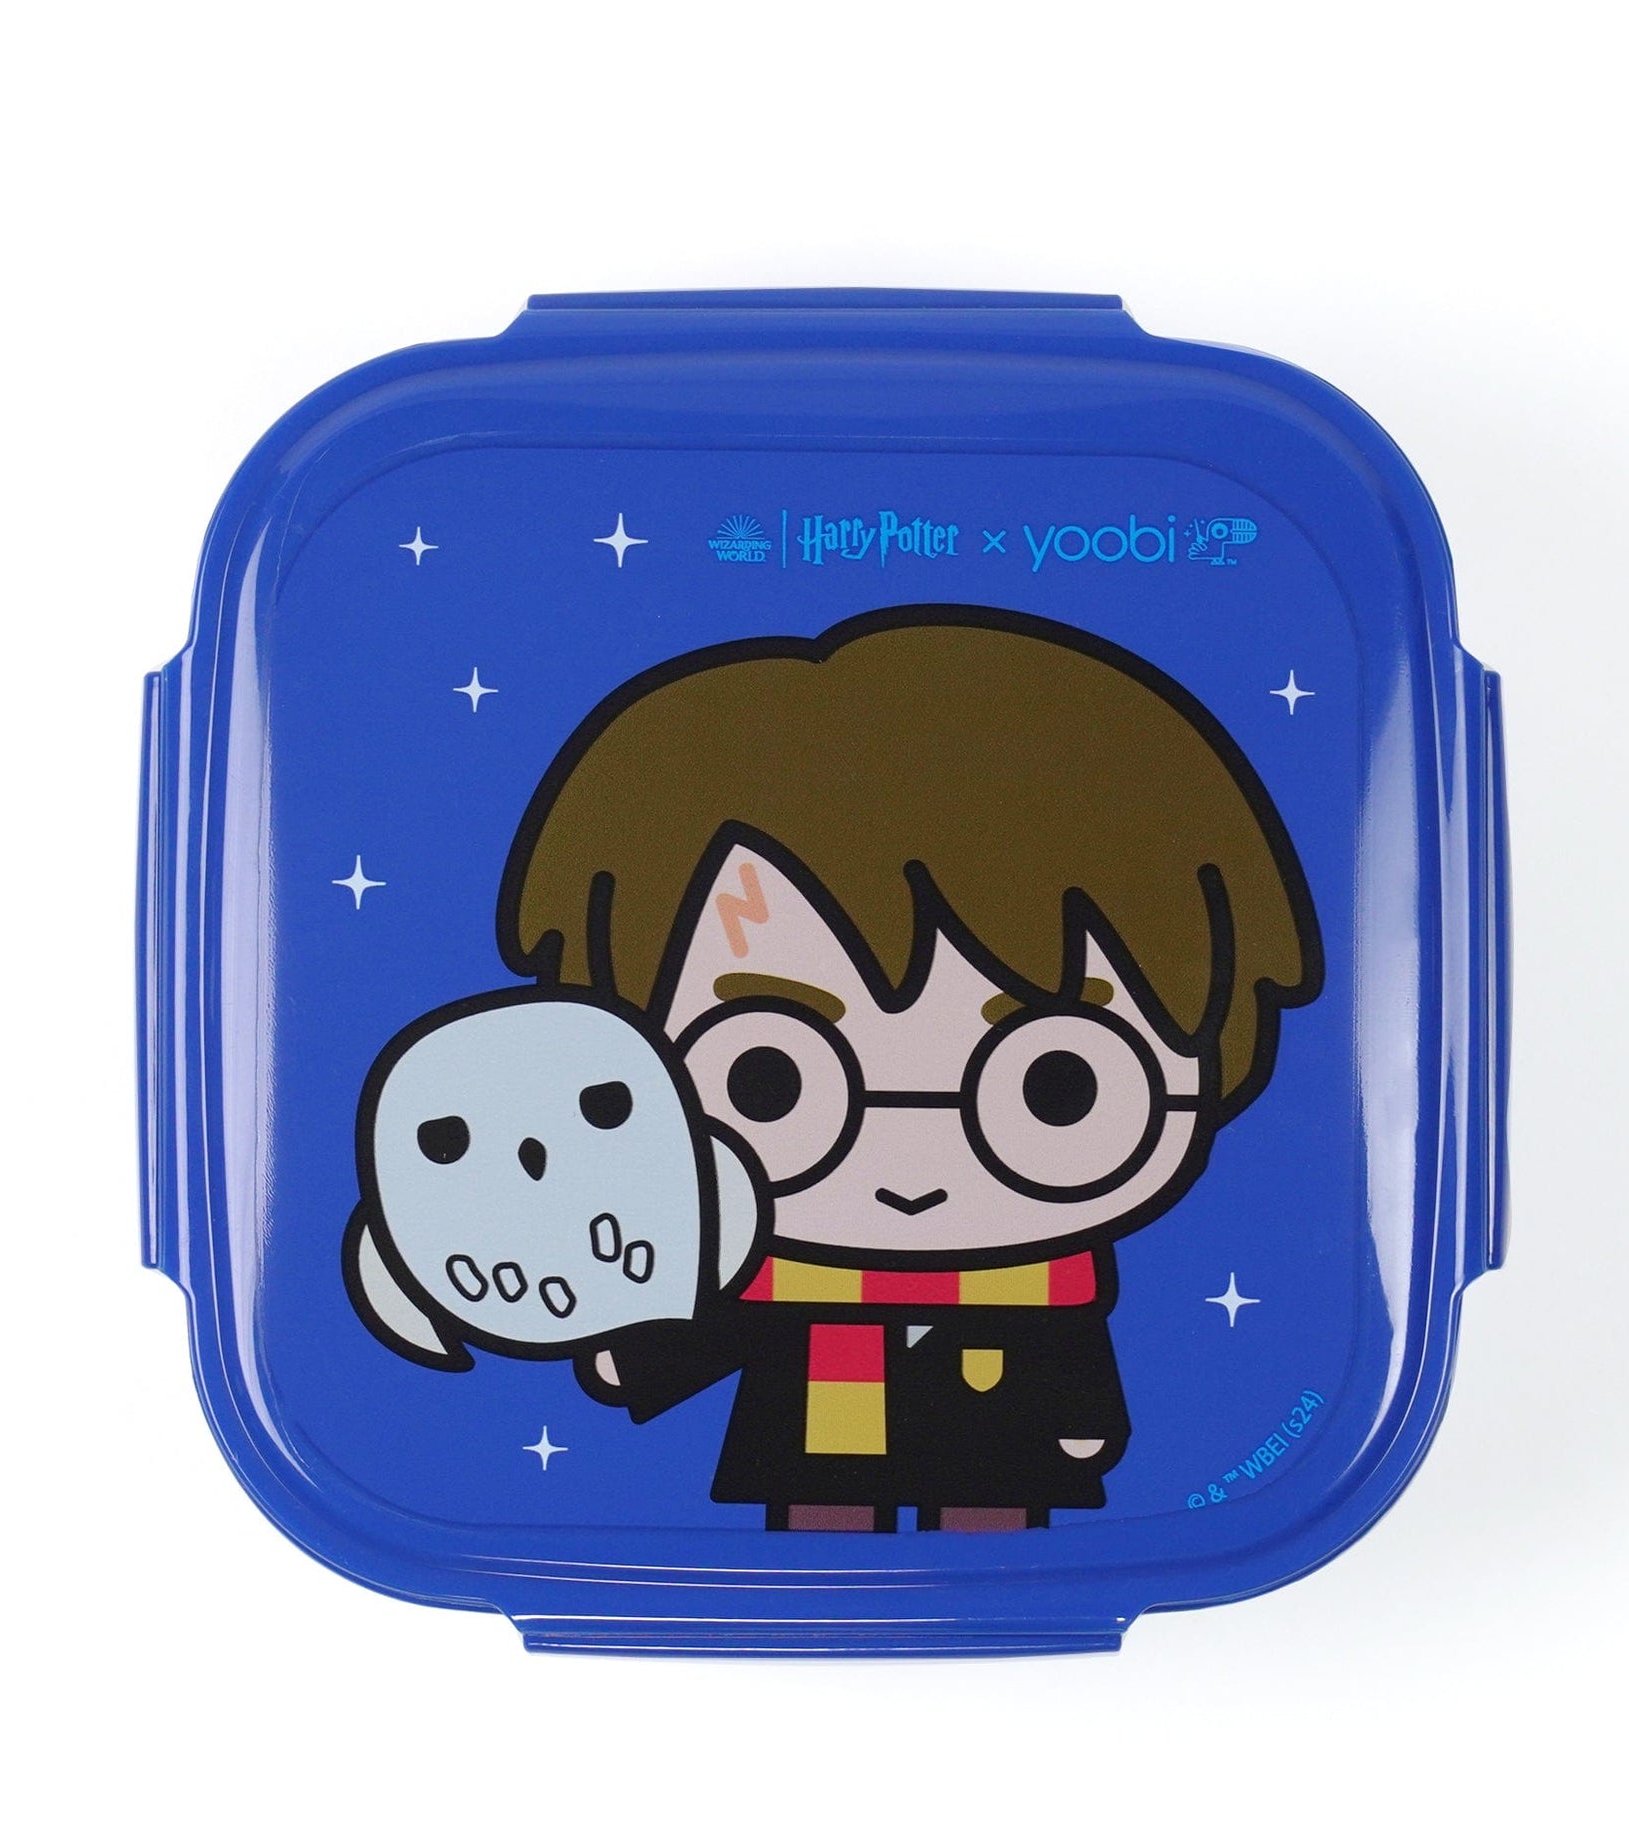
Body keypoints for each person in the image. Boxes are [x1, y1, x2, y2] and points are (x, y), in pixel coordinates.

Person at [497, 607, 1323, 1532]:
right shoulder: (769, 1269)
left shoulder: (1040, 1284)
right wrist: (644, 1351)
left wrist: (1083, 1418)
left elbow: (1064, 1353)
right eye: (768, 1079)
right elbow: (727, 1321)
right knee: (819, 1523)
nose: (911, 1172)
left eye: (1058, 1086)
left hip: (999, 1441)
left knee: (995, 1520)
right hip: (815, 1445)